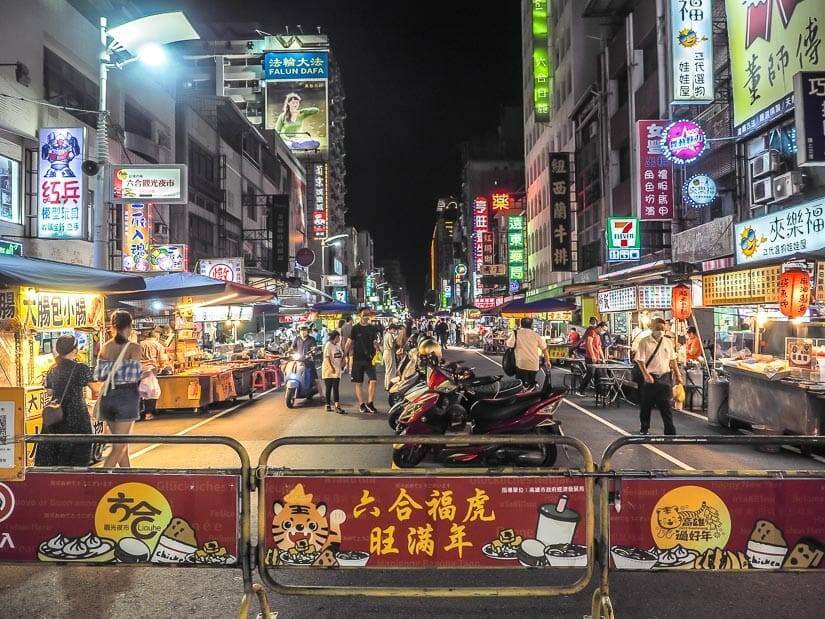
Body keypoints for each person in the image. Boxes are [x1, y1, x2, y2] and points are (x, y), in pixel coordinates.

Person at [93, 309, 144, 468]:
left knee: (122, 445)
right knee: (119, 446)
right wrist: (149, 373)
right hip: (126, 398)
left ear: (113, 326)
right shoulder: (133, 348)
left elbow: (99, 375)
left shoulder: (105, 348)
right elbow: (135, 375)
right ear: (129, 327)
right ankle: (101, 480)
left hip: (107, 397)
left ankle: (127, 477)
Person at [35, 334, 94, 467]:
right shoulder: (80, 368)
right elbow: (95, 388)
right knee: (77, 449)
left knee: (57, 448)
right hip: (76, 413)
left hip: (56, 415)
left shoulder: (53, 368)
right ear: (74, 350)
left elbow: (49, 391)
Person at [635, 317, 683, 435]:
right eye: (658, 328)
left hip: (665, 377)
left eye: (662, 328)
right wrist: (646, 375)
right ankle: (644, 428)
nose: (660, 331)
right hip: (650, 378)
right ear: (652, 328)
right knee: (646, 405)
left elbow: (673, 360)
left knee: (666, 405)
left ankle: (670, 430)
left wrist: (678, 374)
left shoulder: (667, 342)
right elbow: (639, 360)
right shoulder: (644, 342)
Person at [344, 307, 380, 413]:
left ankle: (370, 403)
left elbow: (374, 342)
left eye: (368, 314)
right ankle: (361, 404)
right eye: (364, 314)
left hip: (370, 359)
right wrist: (344, 356)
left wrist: (377, 348)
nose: (366, 316)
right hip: (357, 359)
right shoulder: (355, 328)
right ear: (360, 315)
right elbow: (348, 343)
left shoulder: (372, 328)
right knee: (358, 383)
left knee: (373, 380)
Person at [505, 317, 551, 388]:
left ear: (521, 324)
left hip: (521, 364)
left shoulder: (516, 333)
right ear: (531, 325)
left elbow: (509, 345)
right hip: (534, 365)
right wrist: (547, 361)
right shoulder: (536, 335)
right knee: (531, 383)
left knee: (521, 385)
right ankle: (532, 394)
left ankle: (524, 396)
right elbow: (544, 349)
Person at [139, 327, 168, 421]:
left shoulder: (140, 344)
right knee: (152, 392)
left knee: (140, 392)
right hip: (150, 370)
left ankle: (139, 413)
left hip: (139, 370)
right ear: (156, 336)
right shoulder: (158, 345)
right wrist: (162, 367)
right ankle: (148, 413)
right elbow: (162, 360)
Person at [292, 325, 325, 399]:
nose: (303, 332)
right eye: (301, 330)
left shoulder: (311, 339)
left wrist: (313, 352)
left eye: (305, 330)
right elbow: (293, 347)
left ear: (308, 331)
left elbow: (314, 348)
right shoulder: (297, 339)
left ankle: (322, 395)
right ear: (299, 331)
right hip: (298, 361)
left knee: (316, 379)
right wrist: (288, 351)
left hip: (309, 361)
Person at [576, 321, 607, 396]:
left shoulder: (598, 336)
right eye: (604, 330)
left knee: (598, 375)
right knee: (590, 374)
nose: (604, 332)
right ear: (599, 327)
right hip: (590, 357)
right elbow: (589, 344)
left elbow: (599, 347)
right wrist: (593, 355)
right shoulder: (591, 332)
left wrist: (603, 358)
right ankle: (580, 390)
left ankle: (599, 393)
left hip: (597, 358)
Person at [321, 330, 347, 414]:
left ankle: (337, 405)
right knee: (328, 388)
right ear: (335, 337)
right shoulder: (329, 345)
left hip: (337, 370)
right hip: (329, 371)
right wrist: (331, 368)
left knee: (336, 388)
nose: (339, 338)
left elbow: (342, 356)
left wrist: (343, 365)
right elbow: (327, 358)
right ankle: (327, 404)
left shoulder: (338, 346)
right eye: (338, 337)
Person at [382, 323, 399, 391]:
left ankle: (386, 385)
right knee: (391, 370)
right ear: (391, 329)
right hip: (389, 353)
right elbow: (392, 346)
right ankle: (389, 385)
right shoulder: (390, 335)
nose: (394, 331)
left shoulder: (385, 334)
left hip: (385, 352)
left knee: (387, 370)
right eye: (394, 330)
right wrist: (395, 342)